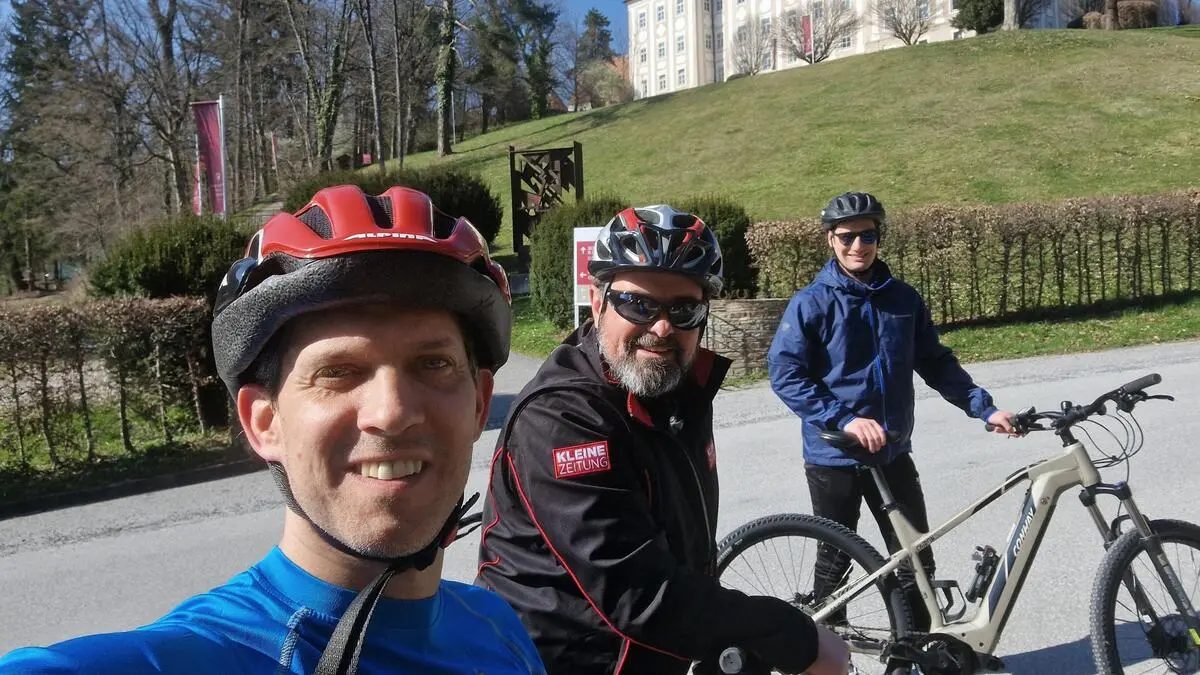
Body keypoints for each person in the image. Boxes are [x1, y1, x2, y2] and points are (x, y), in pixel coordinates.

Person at [0, 186, 546, 675]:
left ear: (479, 404)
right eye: (338, 372)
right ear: (264, 423)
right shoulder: (201, 654)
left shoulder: (496, 629)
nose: (392, 411)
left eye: (433, 364)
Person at [476, 205, 851, 675]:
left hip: (648, 653)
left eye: (684, 309)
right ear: (597, 302)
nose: (661, 327)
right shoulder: (562, 418)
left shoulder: (676, 389)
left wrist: (723, 634)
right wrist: (792, 637)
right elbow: (633, 591)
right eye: (637, 304)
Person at [767, 191, 1020, 632]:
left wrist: (985, 409)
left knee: (915, 555)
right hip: (834, 456)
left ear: (878, 238)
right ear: (830, 239)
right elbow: (786, 374)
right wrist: (845, 419)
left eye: (867, 236)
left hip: (892, 450)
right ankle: (829, 649)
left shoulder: (902, 299)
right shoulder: (812, 302)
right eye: (847, 237)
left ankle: (921, 649)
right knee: (836, 558)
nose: (857, 246)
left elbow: (936, 362)